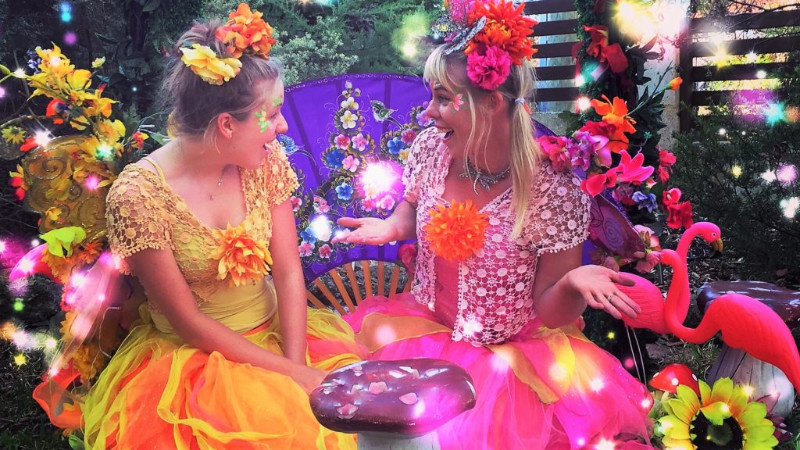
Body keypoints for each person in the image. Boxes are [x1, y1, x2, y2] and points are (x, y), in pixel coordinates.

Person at [34, 5, 361, 449]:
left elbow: (286, 271)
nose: (283, 128)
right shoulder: (140, 195)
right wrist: (291, 376)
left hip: (281, 335)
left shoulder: (265, 164)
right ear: (226, 124)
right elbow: (187, 320)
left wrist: (296, 364)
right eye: (272, 114)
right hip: (197, 359)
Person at [333, 2, 653, 448]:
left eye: (443, 99)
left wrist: (574, 283)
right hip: (420, 334)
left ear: (492, 103)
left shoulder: (551, 190)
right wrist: (392, 227)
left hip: (510, 366)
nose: (428, 112)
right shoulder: (431, 149)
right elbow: (412, 206)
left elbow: (551, 312)